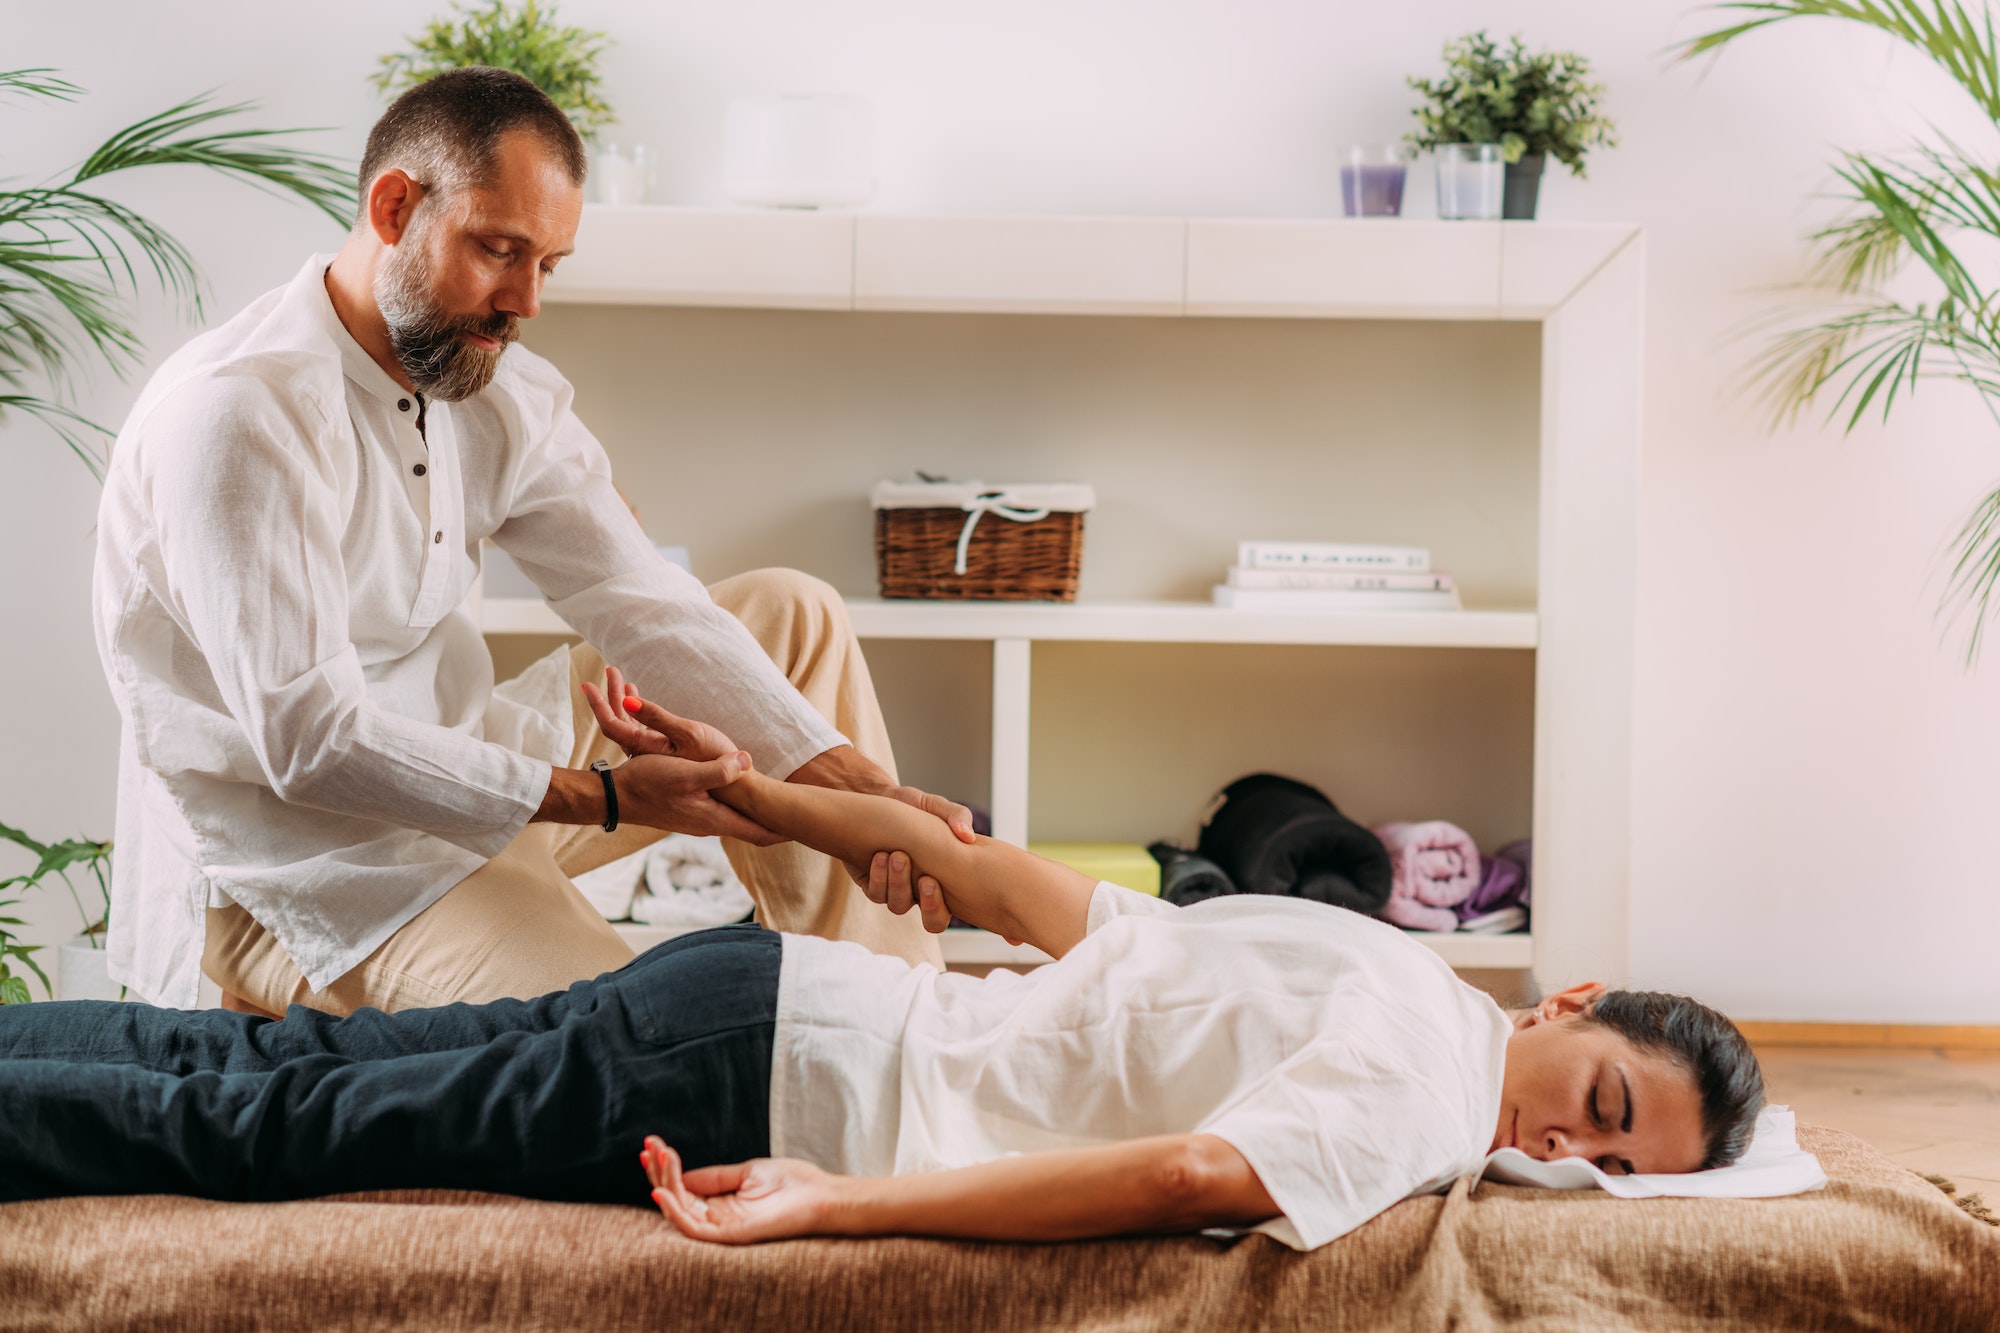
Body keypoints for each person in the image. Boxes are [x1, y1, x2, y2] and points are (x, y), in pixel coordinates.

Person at [0, 688, 1766, 1250]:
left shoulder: (1366, 957)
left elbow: (1029, 895)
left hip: (748, 995)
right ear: (1569, 1002)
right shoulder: (1433, 1089)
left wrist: (760, 786)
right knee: (274, 1131)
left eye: (1617, 1166)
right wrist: (834, 1205)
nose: (1574, 1151)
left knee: (282, 1082)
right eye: (1604, 1105)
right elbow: (1196, 1172)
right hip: (764, 1077)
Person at [90, 66, 972, 1020]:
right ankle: (793, 1053)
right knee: (634, 1032)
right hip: (314, 867)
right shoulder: (240, 413)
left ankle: (894, 1028)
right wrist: (605, 796)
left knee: (792, 612)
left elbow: (642, 601)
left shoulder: (491, 385)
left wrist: (861, 791)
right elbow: (315, 744)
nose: (527, 300)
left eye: (548, 264)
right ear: (394, 208)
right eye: (498, 249)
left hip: (472, 758)